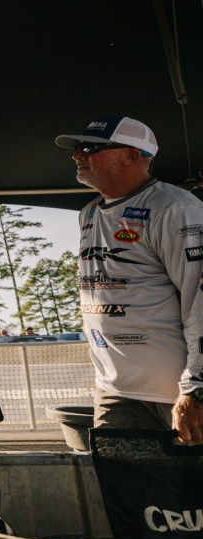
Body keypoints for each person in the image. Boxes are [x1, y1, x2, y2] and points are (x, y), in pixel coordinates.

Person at [55, 115, 203, 441]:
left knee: (190, 476)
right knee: (118, 474)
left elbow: (200, 301)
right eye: (78, 147)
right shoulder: (89, 212)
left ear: (131, 155)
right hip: (114, 390)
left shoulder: (175, 208)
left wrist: (197, 387)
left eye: (90, 148)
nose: (77, 155)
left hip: (176, 393)